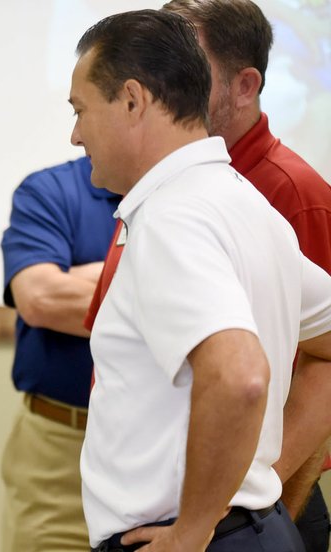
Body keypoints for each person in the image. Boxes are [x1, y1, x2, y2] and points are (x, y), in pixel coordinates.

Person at [69, 10, 331, 551]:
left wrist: (191, 532)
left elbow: (240, 376)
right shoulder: (241, 202)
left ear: (134, 101)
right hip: (251, 529)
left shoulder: (174, 217)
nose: (75, 135)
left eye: (81, 111)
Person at [0, 157, 120, 550]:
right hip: (61, 446)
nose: (76, 132)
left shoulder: (191, 193)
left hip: (167, 448)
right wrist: (150, 281)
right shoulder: (49, 191)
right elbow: (40, 298)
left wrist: (86, 275)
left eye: (81, 111)